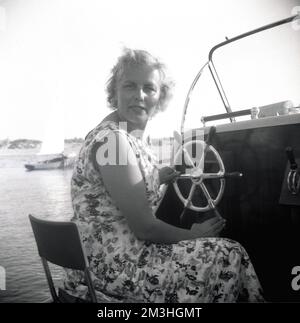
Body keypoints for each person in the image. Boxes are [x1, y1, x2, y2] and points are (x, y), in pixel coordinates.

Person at [63, 48, 264, 303]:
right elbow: (145, 228)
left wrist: (157, 177)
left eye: (149, 88)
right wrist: (195, 233)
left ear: (159, 97)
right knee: (229, 254)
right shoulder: (113, 142)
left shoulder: (119, 135)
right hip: (113, 267)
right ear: (114, 92)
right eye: (129, 86)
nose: (139, 95)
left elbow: (112, 193)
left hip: (98, 258)